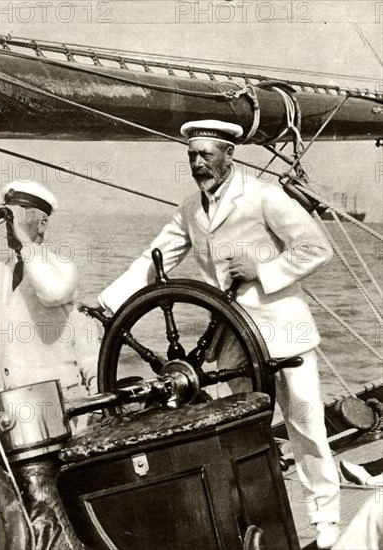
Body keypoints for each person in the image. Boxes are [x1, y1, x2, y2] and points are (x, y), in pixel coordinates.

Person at [91, 119, 340, 549]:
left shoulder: (264, 196)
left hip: (286, 329)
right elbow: (155, 258)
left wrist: (265, 271)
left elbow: (317, 247)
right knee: (241, 431)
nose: (198, 163)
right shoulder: (190, 209)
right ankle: (257, 524)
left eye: (206, 155)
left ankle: (327, 522)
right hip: (233, 339)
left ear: (230, 154)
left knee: (306, 427)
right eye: (191, 156)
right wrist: (110, 303)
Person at [0, 181, 99, 405]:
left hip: (62, 403)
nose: (11, 225)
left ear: (42, 225)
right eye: (10, 218)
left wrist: (23, 239)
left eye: (19, 217)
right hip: (12, 404)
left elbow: (52, 292)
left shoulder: (61, 266)